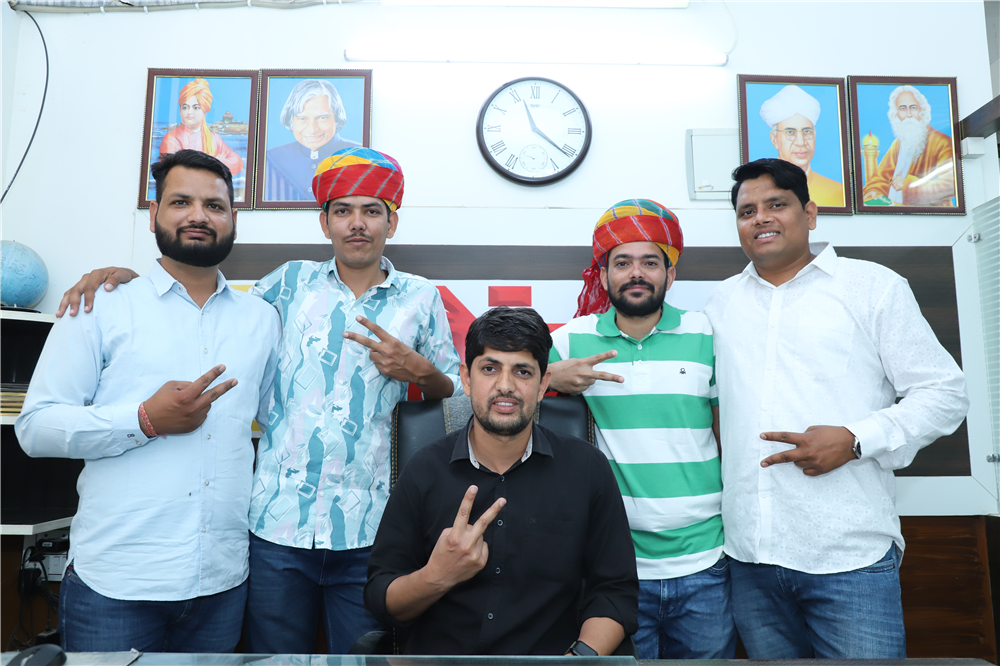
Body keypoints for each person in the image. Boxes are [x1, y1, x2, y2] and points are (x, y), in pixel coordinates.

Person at [56, 146, 462, 655]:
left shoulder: (422, 297)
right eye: (343, 211)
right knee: (272, 660)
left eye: (372, 211)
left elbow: (458, 398)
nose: (357, 224)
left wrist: (424, 374)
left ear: (392, 222)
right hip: (275, 528)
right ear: (325, 222)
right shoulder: (287, 283)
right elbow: (209, 306)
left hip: (371, 528)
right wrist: (135, 281)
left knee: (364, 660)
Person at [16, 150, 280, 653]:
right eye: (181, 202)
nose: (198, 215)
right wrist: (143, 420)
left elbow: (276, 425)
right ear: (155, 213)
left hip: (223, 582)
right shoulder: (100, 304)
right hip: (115, 585)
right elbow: (36, 428)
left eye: (214, 205)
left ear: (233, 218)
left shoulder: (261, 319)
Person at [705, 157, 969, 658]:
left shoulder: (872, 287)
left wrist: (854, 439)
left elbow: (945, 393)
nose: (761, 218)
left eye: (776, 205)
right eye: (747, 211)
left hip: (849, 557)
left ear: (810, 213)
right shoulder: (721, 304)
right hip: (749, 558)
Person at [365, 306, 638, 655]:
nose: (505, 386)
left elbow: (615, 591)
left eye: (522, 372)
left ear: (543, 384)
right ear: (466, 379)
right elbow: (381, 599)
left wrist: (578, 659)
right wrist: (437, 575)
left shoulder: (587, 469)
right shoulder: (424, 470)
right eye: (490, 369)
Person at [547, 199, 735, 659]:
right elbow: (498, 390)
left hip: (706, 562)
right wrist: (551, 377)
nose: (636, 273)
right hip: (615, 570)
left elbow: (728, 432)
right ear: (603, 275)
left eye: (650, 262)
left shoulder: (708, 334)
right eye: (622, 262)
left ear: (671, 274)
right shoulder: (569, 340)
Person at [264, 79, 362, 201]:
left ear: (337, 118)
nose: (312, 129)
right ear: (291, 121)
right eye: (302, 119)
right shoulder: (271, 159)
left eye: (322, 118)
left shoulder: (360, 156)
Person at [861, 85, 956, 206]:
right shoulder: (898, 144)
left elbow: (950, 186)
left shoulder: (942, 142)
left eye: (913, 108)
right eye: (903, 109)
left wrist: (907, 184)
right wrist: (874, 190)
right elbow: (881, 177)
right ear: (896, 114)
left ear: (922, 111)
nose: (909, 114)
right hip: (893, 209)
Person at [759, 85, 843, 207]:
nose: (801, 142)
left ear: (815, 136)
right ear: (774, 139)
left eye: (807, 132)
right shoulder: (759, 189)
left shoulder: (836, 190)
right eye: (790, 132)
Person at [159, 78, 244, 178]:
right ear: (180, 110)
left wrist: (206, 164)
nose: (189, 112)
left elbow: (237, 162)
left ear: (204, 111)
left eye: (196, 108)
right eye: (185, 107)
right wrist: (215, 162)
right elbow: (175, 173)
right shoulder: (172, 138)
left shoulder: (214, 138)